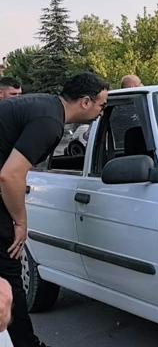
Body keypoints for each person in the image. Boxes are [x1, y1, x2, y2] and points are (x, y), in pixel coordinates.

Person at [0, 72, 109, 347]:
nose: (101, 112)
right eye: (102, 105)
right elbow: (10, 176)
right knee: (10, 274)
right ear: (85, 101)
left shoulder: (44, 106)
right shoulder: (50, 122)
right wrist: (20, 222)